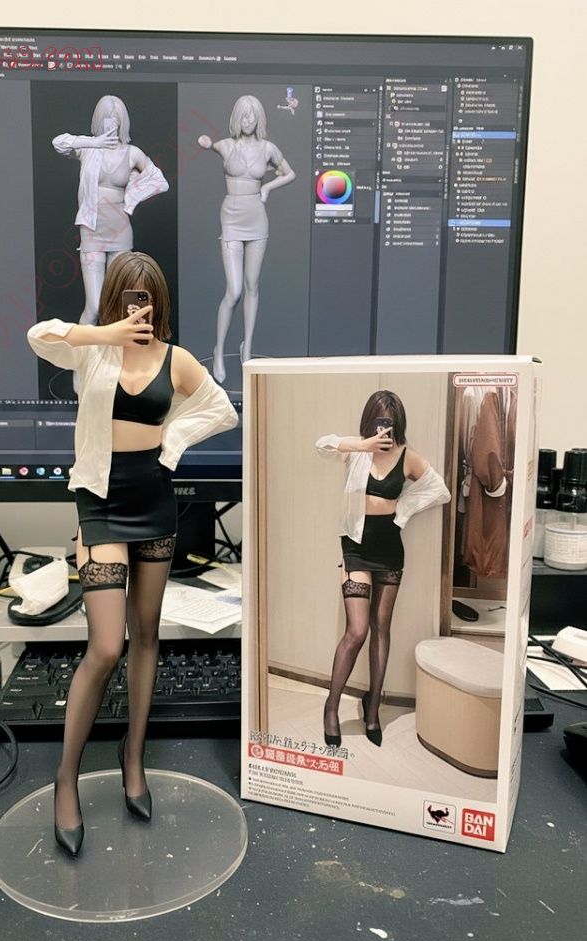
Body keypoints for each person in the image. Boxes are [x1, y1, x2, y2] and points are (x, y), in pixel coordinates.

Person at [27, 252, 238, 855]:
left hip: (154, 502)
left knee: (147, 634)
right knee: (105, 645)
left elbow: (222, 410)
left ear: (159, 302)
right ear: (114, 298)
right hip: (100, 502)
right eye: (128, 296)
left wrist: (173, 439)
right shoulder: (92, 351)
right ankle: (66, 777)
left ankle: (134, 755)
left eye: (146, 298)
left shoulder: (177, 360)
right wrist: (106, 333)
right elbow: (40, 336)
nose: (138, 307)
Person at [315, 390, 450, 749]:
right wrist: (362, 444)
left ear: (398, 423)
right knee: (357, 631)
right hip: (355, 547)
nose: (383, 428)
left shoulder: (407, 456)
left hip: (389, 549)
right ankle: (331, 707)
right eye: (378, 420)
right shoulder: (356, 450)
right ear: (369, 420)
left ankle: (373, 708)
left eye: (389, 421)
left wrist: (402, 510)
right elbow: (322, 445)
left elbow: (440, 491)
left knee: (381, 627)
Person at [198, 95, 295, 382]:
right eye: (244, 114)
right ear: (236, 118)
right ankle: (218, 349)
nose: (248, 119)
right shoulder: (226, 146)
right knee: (234, 290)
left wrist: (267, 188)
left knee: (252, 286)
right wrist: (205, 142)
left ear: (259, 118)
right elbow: (209, 144)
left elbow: (289, 173)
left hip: (256, 218)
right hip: (231, 217)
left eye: (253, 114)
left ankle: (247, 348)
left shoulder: (268, 148)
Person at [53, 95, 169, 327]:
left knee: (122, 306)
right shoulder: (88, 149)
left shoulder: (132, 152)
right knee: (95, 306)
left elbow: (160, 181)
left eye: (115, 118)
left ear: (122, 122)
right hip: (92, 230)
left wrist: (133, 196)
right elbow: (58, 143)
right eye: (106, 118)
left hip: (120, 230)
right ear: (98, 120)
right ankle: (84, 352)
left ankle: (115, 351)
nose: (110, 123)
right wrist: (94, 142)